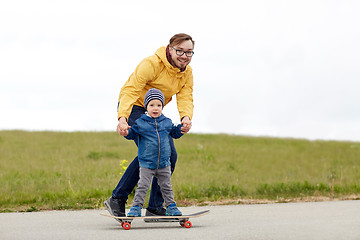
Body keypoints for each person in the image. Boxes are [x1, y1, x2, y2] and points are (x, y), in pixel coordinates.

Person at [104, 33, 195, 218]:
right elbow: (130, 90)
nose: (184, 56)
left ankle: (155, 206)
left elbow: (185, 96)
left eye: (189, 52)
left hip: (155, 110)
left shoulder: (186, 72)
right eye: (180, 51)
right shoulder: (152, 64)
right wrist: (122, 117)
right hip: (134, 107)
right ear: (170, 49)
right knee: (152, 150)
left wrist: (186, 117)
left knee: (169, 155)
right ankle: (117, 198)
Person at [125, 88, 183, 217]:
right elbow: (131, 134)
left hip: (164, 163)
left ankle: (171, 207)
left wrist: (181, 129)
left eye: (159, 105)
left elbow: (174, 133)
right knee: (142, 187)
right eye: (152, 105)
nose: (155, 108)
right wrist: (125, 132)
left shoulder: (166, 122)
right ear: (146, 106)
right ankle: (136, 207)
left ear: (162, 106)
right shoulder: (140, 123)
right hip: (147, 164)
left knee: (166, 187)